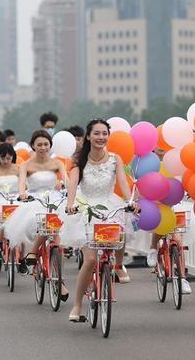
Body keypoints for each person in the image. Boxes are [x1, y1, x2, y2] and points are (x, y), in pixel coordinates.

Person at [60, 119, 138, 322]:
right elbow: (73, 185)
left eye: (105, 133)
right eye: (97, 133)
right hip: (85, 209)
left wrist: (129, 201)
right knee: (91, 259)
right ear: (88, 136)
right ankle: (77, 306)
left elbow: (122, 181)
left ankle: (116, 267)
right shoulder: (79, 160)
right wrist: (70, 204)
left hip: (109, 206)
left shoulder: (115, 159)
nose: (101, 137)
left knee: (118, 236)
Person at [4, 130, 68, 279]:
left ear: (50, 145)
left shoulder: (57, 163)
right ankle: (33, 252)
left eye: (46, 144)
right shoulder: (26, 165)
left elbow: (66, 179)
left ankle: (58, 281)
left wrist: (66, 186)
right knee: (44, 223)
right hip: (34, 201)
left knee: (58, 246)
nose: (43, 147)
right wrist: (22, 194)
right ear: (33, 146)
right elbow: (21, 183)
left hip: (54, 200)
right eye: (39, 144)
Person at [146, 147, 191, 294]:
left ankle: (183, 278)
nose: (161, 148)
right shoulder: (150, 164)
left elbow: (184, 179)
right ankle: (153, 248)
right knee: (160, 222)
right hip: (155, 203)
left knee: (177, 240)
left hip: (172, 202)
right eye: (158, 144)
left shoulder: (175, 161)